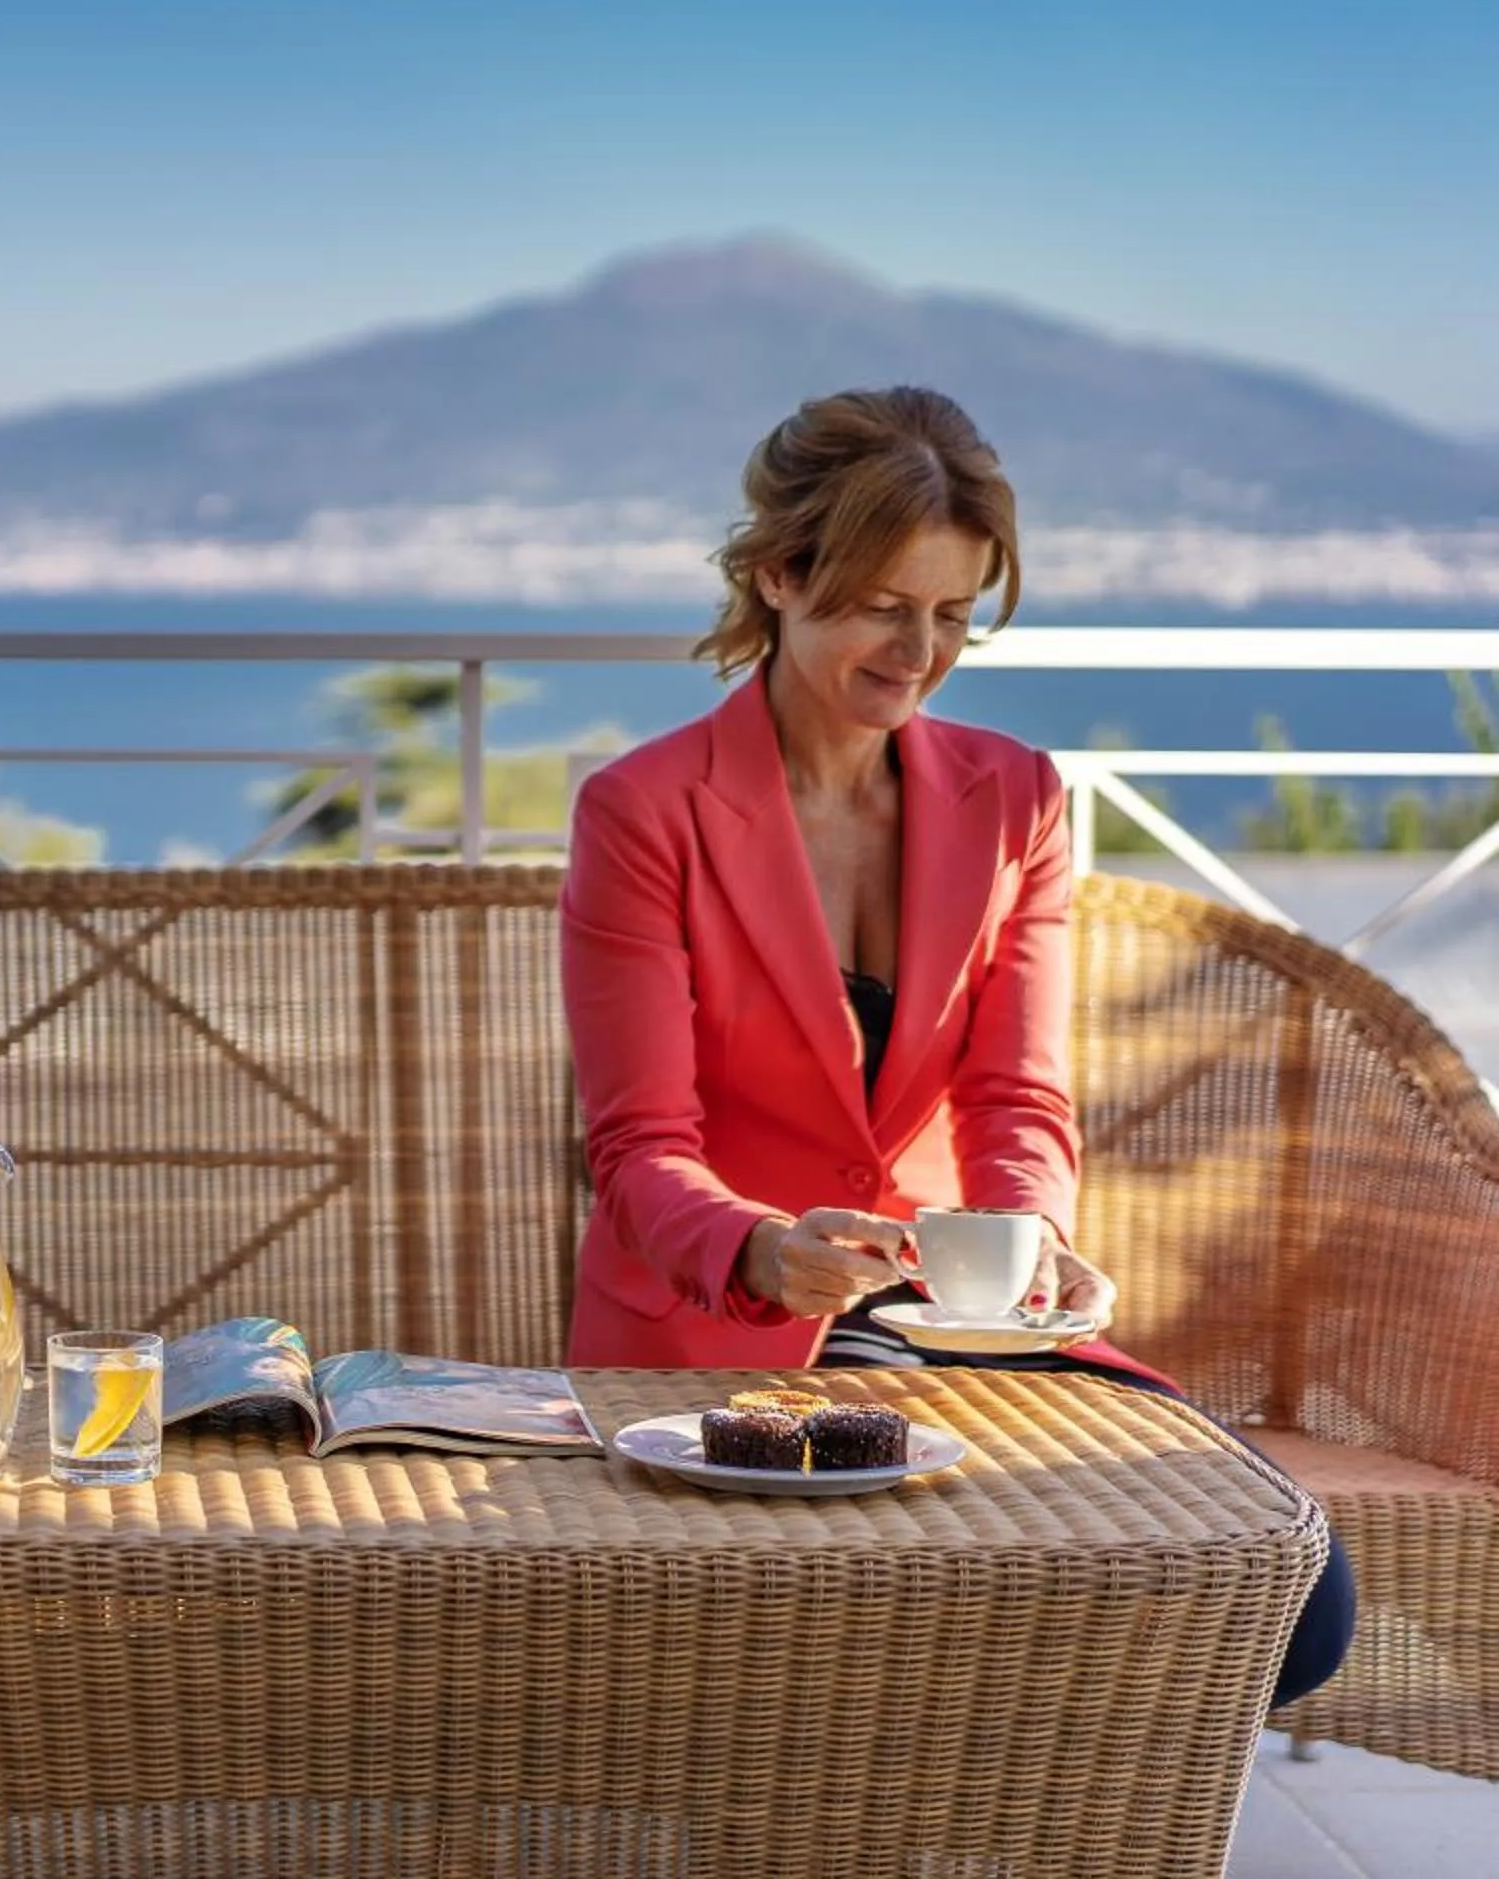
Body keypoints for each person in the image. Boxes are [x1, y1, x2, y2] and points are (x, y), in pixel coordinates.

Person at [557, 384, 1352, 1706]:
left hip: (957, 1322)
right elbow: (640, 1150)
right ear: (778, 576)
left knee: (1302, 1610)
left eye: (952, 615)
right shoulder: (645, 811)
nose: (917, 652)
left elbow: (1018, 1100)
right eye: (882, 606)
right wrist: (764, 1248)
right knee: (920, 1594)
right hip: (723, 1329)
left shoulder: (1017, 798)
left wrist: (1026, 1240)